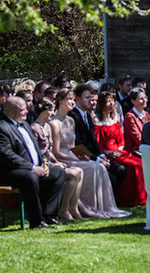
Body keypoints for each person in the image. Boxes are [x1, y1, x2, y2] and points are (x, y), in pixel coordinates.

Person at [0, 97, 66, 228]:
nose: (27, 112)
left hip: (31, 168)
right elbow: (7, 156)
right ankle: (37, 221)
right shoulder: (0, 128)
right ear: (11, 113)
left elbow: (35, 148)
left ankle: (49, 215)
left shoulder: (24, 125)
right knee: (30, 177)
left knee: (58, 172)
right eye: (23, 110)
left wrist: (45, 165)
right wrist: (32, 168)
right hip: (7, 173)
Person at [50, 89, 129, 218]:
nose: (71, 102)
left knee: (99, 166)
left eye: (71, 99)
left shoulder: (71, 121)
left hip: (72, 155)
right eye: (68, 100)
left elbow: (73, 146)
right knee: (93, 167)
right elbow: (56, 151)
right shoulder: (54, 123)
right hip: (62, 158)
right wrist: (78, 160)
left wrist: (82, 156)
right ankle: (80, 207)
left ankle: (99, 206)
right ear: (60, 101)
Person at [31, 98, 83, 221]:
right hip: (41, 164)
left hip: (50, 162)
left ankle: (72, 208)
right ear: (43, 111)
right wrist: (51, 164)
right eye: (51, 111)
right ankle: (63, 210)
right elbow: (38, 153)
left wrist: (57, 162)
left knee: (79, 171)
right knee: (73, 174)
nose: (53, 113)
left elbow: (48, 150)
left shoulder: (47, 127)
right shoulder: (34, 128)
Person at [68, 83, 127, 192]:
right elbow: (78, 143)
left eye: (91, 98)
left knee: (121, 170)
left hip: (95, 155)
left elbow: (94, 140)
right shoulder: (73, 116)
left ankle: (111, 200)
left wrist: (101, 155)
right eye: (86, 98)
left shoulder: (87, 115)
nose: (90, 101)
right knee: (111, 178)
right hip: (83, 157)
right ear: (78, 99)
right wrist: (97, 159)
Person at [94, 91, 147, 206]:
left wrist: (119, 150)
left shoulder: (115, 120)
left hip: (119, 151)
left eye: (112, 101)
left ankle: (140, 197)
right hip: (107, 153)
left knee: (139, 163)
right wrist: (109, 153)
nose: (111, 104)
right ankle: (126, 198)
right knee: (132, 166)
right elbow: (97, 144)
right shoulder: (97, 122)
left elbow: (121, 139)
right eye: (108, 101)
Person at [123, 87, 150, 156]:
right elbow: (137, 138)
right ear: (133, 101)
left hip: (147, 148)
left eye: (145, 97)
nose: (145, 100)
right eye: (141, 99)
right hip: (134, 151)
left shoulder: (147, 114)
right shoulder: (130, 116)